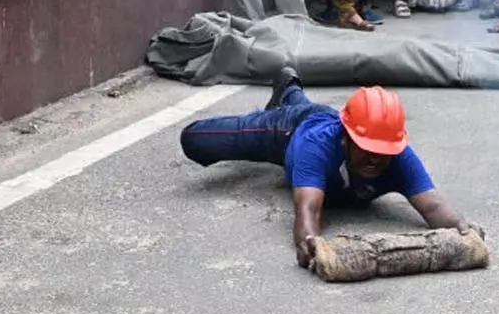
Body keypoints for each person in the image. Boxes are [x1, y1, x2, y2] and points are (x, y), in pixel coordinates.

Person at [179, 82, 463, 268]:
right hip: (290, 132)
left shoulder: (398, 154)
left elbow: (434, 206)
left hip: (317, 119)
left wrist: (464, 228)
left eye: (383, 150)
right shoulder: (317, 145)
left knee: (300, 102)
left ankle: (289, 85)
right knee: (195, 139)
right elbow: (309, 209)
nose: (375, 157)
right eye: (366, 148)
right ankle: (287, 90)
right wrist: (310, 242)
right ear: (346, 137)